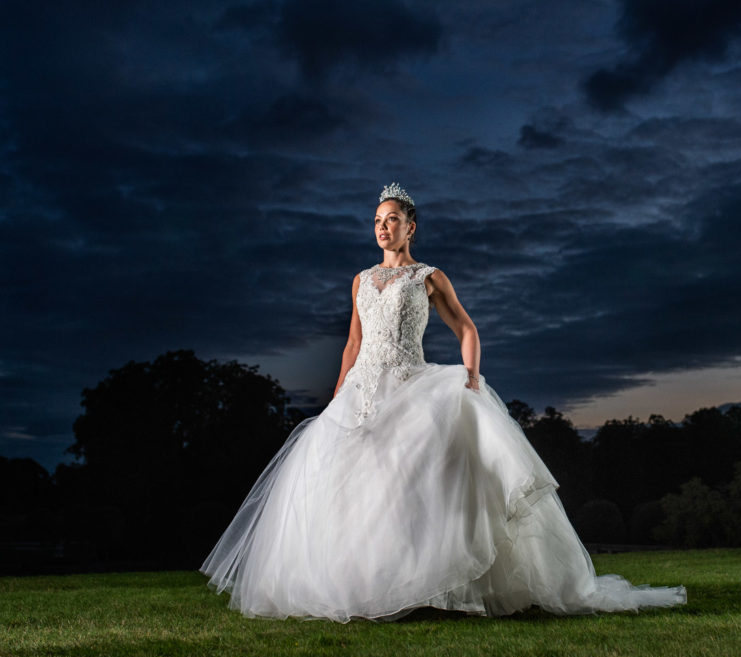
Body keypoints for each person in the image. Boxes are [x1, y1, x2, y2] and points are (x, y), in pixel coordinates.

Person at [199, 183, 687, 622]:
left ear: (410, 227)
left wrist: (471, 377)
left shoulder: (428, 277)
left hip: (411, 386)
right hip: (362, 392)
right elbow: (353, 342)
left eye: (391, 219)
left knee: (420, 483)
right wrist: (340, 389)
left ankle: (434, 586)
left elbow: (466, 328)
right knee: (357, 491)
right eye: (376, 220)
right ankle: (365, 586)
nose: (382, 228)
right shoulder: (361, 279)